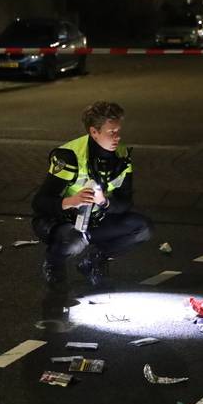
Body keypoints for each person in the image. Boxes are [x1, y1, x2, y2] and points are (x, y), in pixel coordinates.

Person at [32, 101, 153, 287]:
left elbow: (126, 202)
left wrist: (104, 202)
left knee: (143, 228)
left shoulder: (122, 156)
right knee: (75, 240)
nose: (117, 138)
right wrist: (71, 201)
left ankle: (94, 261)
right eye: (111, 132)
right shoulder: (69, 157)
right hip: (61, 221)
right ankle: (53, 263)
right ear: (94, 132)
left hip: (95, 219)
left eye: (118, 131)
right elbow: (40, 203)